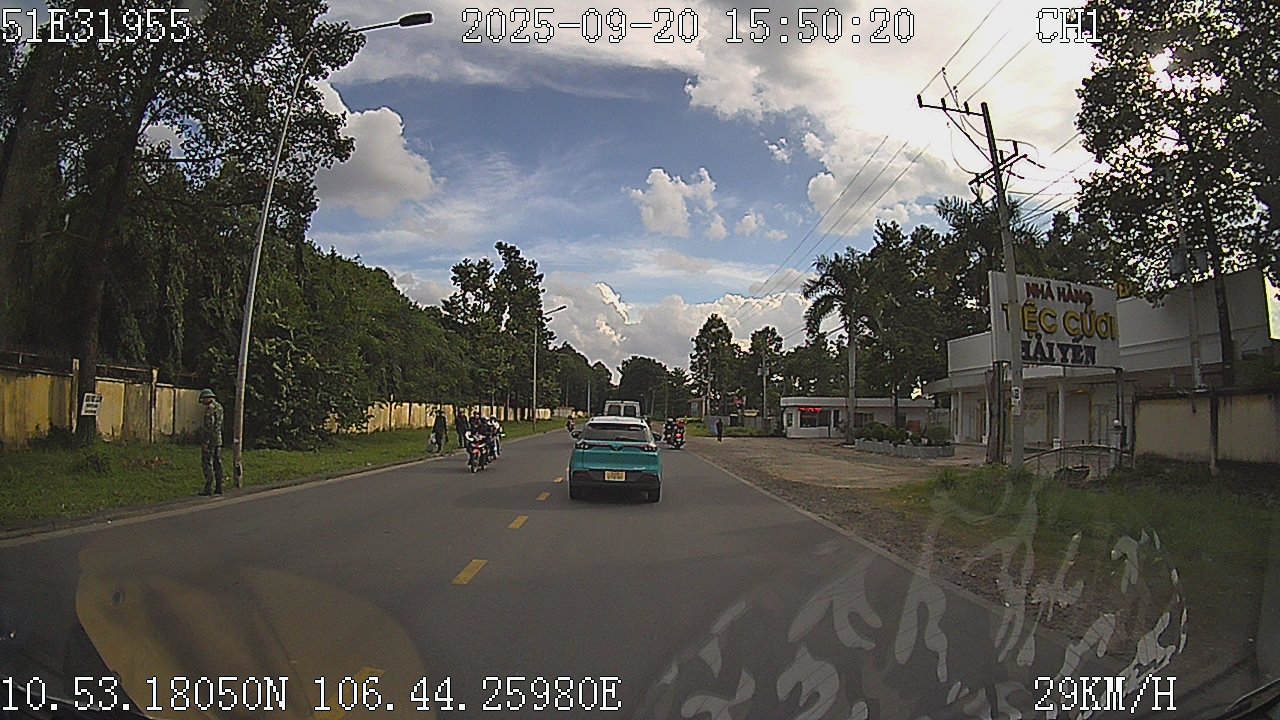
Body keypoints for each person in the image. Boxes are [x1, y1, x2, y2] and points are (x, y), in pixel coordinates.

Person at [198, 388, 225, 496]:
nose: (202, 402)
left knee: (207, 463)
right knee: (218, 463)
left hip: (210, 441)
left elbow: (209, 427)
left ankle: (209, 487)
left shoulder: (210, 409)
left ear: (207, 398)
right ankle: (219, 486)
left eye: (203, 399)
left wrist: (205, 442)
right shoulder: (219, 407)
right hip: (218, 439)